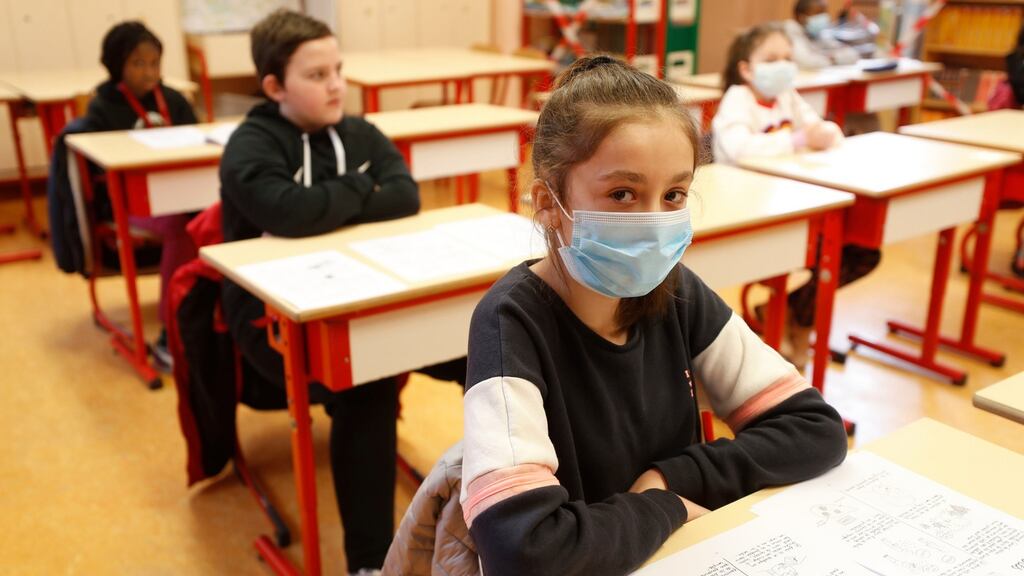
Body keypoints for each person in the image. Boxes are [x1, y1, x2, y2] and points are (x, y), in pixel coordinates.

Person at [459, 55, 848, 575]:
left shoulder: (676, 292)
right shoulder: (512, 322)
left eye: (674, 195)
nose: (653, 222)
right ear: (548, 202)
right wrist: (663, 508)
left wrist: (674, 478)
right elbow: (522, 549)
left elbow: (815, 429)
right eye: (622, 194)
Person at [218, 10, 463, 575]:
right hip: (273, 320)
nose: (336, 85)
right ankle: (369, 564)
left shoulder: (358, 131)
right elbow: (285, 210)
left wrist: (325, 202)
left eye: (338, 69)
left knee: (492, 343)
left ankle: (517, 493)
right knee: (365, 383)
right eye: (317, 74)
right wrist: (358, 186)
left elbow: (403, 195)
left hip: (373, 295)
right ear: (274, 86)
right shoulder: (250, 144)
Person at [713, 23, 878, 369]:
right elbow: (741, 149)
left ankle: (794, 315)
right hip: (749, 213)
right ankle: (791, 323)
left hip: (794, 202)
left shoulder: (789, 96)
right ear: (746, 68)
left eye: (787, 58)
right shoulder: (738, 100)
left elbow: (827, 132)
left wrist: (823, 132)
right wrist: (799, 141)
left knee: (862, 251)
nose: (782, 66)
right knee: (830, 253)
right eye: (771, 58)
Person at [85, 21, 200, 368]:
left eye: (155, 63)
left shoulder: (175, 100)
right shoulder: (103, 108)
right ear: (117, 65)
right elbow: (97, 170)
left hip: (182, 192)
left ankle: (210, 313)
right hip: (131, 203)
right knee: (182, 225)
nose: (149, 72)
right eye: (138, 63)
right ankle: (172, 331)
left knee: (218, 216)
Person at [784, 0, 860, 69]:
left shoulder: (819, 33)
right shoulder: (790, 32)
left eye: (824, 12)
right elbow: (806, 62)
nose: (823, 17)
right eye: (818, 13)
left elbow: (853, 54)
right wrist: (833, 59)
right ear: (801, 17)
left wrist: (831, 58)